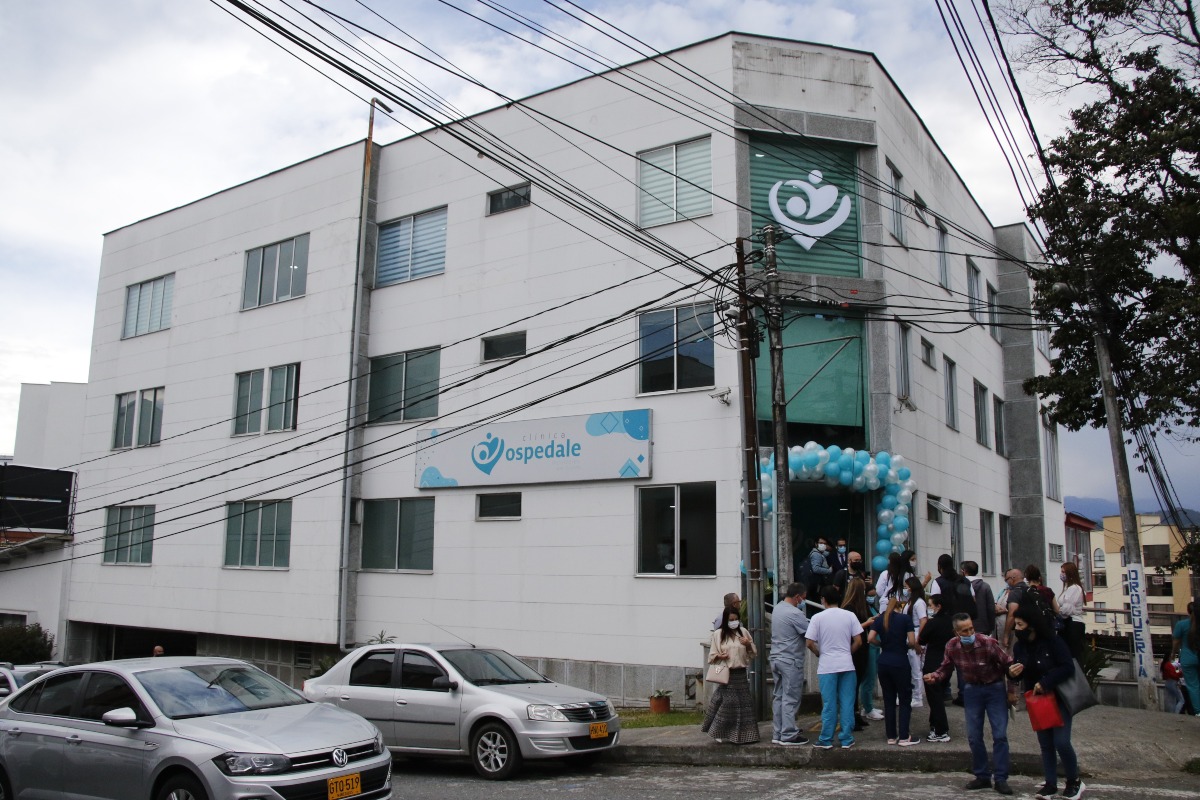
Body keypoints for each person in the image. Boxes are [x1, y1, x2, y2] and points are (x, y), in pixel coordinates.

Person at [924, 613, 1015, 795]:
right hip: (972, 689)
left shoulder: (987, 643)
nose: (969, 633)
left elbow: (1009, 665)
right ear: (956, 633)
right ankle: (982, 776)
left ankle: (1001, 778)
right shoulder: (952, 646)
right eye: (964, 631)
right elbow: (946, 667)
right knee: (974, 736)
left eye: (971, 629)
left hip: (994, 688)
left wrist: (1011, 690)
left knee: (999, 735)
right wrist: (935, 676)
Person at [1007, 607, 1084, 800]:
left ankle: (1074, 781)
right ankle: (1050, 783)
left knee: (1061, 742)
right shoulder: (1020, 647)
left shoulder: (1053, 641)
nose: (1017, 628)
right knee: (1045, 743)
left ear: (1032, 626)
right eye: (1016, 624)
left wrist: (1046, 682)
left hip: (1059, 697)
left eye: (1020, 624)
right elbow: (1019, 672)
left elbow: (1068, 667)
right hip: (1038, 700)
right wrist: (1013, 673)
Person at [806, 586, 863, 750]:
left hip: (827, 666)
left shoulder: (817, 618)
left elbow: (809, 642)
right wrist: (848, 652)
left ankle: (826, 739)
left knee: (829, 704)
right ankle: (846, 738)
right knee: (847, 703)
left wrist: (819, 653)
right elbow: (859, 641)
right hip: (847, 664)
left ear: (823, 599)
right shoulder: (850, 615)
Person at [702, 607, 759, 744]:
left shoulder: (743, 632)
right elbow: (711, 656)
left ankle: (746, 735)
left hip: (741, 672)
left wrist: (748, 644)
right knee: (728, 703)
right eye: (731, 620)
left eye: (736, 619)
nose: (734, 622)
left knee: (744, 704)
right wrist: (720, 656)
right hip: (726, 672)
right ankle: (717, 731)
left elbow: (753, 653)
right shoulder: (719, 634)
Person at [868, 591, 919, 745]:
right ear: (899, 606)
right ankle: (904, 736)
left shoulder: (880, 619)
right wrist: (907, 646)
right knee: (904, 699)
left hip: (884, 661)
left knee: (888, 700)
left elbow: (870, 638)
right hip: (900, 661)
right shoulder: (905, 619)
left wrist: (882, 644)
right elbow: (912, 641)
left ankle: (891, 736)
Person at [769, 582, 810, 746]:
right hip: (790, 659)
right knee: (791, 698)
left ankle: (778, 732)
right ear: (797, 597)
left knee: (779, 696)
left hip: (776, 657)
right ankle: (788, 734)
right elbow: (810, 632)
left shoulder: (777, 608)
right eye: (803, 598)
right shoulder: (795, 613)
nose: (803, 601)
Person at [920, 592, 955, 742]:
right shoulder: (952, 622)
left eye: (931, 605)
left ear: (938, 606)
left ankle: (941, 730)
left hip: (933, 663)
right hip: (948, 663)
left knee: (934, 698)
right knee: (939, 696)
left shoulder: (933, 623)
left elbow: (921, 639)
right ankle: (935, 725)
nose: (930, 608)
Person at [841, 575, 875, 730]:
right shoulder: (849, 608)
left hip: (863, 647)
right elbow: (849, 628)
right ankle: (851, 716)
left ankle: (855, 713)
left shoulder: (862, 606)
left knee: (858, 681)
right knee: (852, 684)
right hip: (855, 648)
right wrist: (867, 623)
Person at [1169, 601, 1200, 716]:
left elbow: (1176, 642)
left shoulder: (1181, 625)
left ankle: (1198, 712)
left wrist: (1173, 654)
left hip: (1188, 659)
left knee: (1193, 686)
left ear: (1188, 611)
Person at [904, 575, 929, 708]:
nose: (905, 589)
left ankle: (918, 697)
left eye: (907, 587)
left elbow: (923, 620)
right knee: (911, 667)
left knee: (916, 668)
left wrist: (919, 640)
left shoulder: (919, 603)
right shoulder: (910, 601)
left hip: (916, 633)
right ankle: (912, 694)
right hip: (910, 633)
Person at [1057, 563, 1086, 662]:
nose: (1061, 574)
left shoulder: (1074, 588)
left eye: (1063, 572)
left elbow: (1067, 610)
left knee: (1072, 654)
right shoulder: (1068, 588)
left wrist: (1057, 610)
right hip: (1068, 623)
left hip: (1073, 623)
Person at [931, 553, 975, 620]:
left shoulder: (937, 582)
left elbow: (934, 604)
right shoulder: (965, 580)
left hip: (946, 621)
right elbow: (973, 599)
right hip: (964, 620)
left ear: (939, 566)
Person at [962, 561, 996, 636]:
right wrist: (991, 626)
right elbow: (991, 608)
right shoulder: (985, 586)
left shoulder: (960, 586)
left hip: (964, 628)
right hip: (983, 627)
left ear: (964, 571)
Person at [998, 569, 1029, 649]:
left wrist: (1006, 635)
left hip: (1017, 631)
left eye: (1007, 579)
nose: (1007, 582)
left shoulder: (1015, 593)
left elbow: (1012, 615)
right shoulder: (1030, 590)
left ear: (1013, 578)